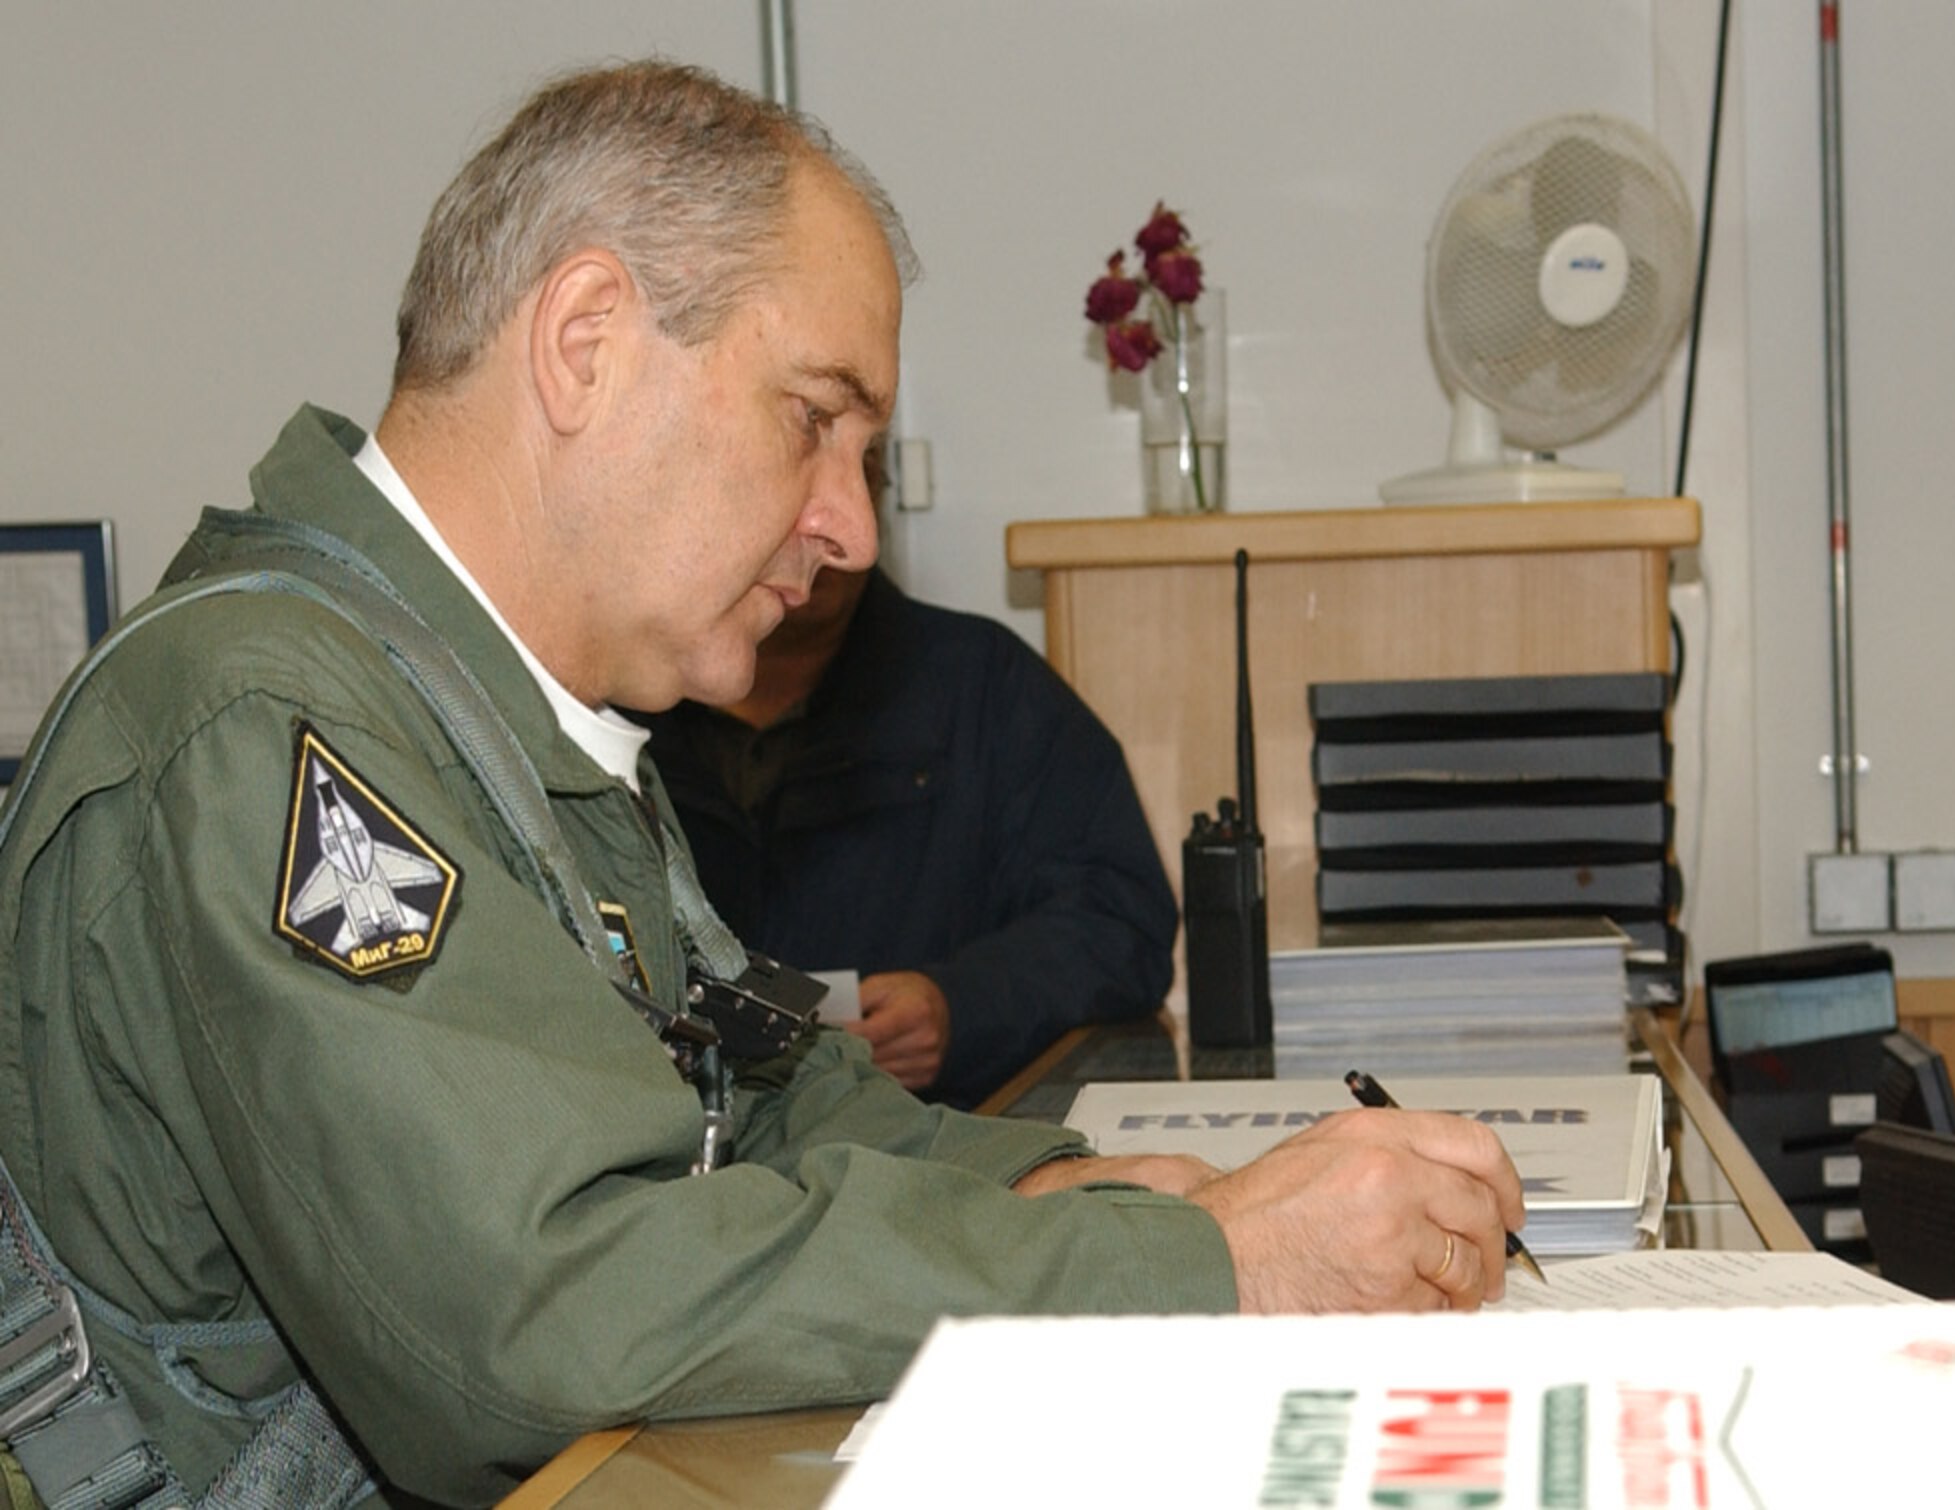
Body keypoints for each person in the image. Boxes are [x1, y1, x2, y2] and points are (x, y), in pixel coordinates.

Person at [0, 59, 1524, 1508]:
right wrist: (1203, 1268)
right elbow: (545, 1309)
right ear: (587, 340)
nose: (851, 530)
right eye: (813, 421)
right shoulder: (266, 730)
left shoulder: (527, 739)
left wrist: (1127, 1194)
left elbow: (788, 1103)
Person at [634, 558, 1178, 1109]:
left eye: (861, 474)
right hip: (672, 1154)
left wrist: (959, 1008)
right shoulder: (616, 698)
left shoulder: (979, 683)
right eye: (796, 478)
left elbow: (1121, 923)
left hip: (940, 1146)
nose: (836, 530)